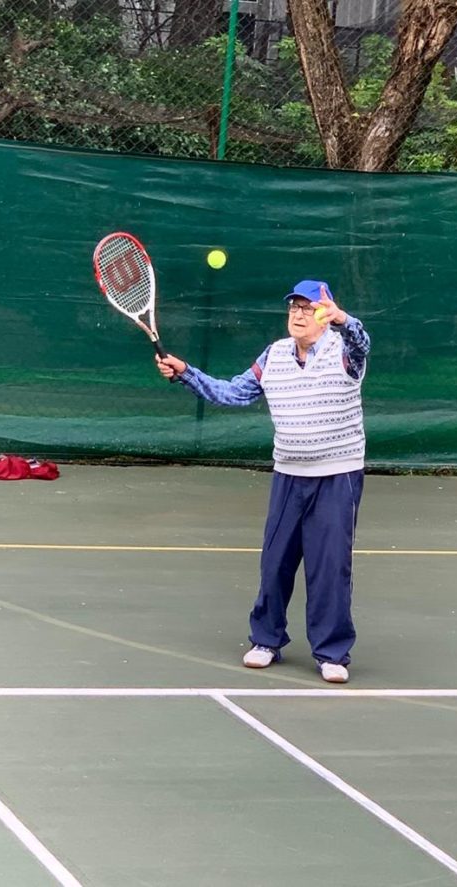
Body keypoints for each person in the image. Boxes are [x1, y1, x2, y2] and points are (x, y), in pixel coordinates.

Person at [156, 280, 370, 683]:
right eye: (294, 307)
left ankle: (332, 654)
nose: (299, 314)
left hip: (337, 474)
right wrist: (186, 373)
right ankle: (266, 640)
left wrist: (345, 320)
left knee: (329, 568)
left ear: (326, 315)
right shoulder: (274, 355)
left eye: (309, 308)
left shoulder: (344, 353)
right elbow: (233, 393)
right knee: (275, 563)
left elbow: (361, 343)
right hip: (288, 474)